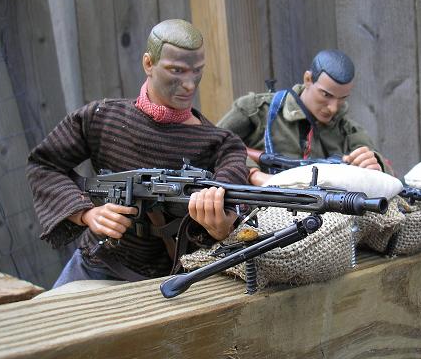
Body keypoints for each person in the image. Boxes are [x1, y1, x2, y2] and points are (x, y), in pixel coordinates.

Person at [27, 19, 248, 287]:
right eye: (176, 70)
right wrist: (86, 213)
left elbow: (234, 197)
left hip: (179, 278)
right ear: (148, 64)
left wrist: (222, 227)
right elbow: (44, 165)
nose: (190, 85)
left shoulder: (221, 144)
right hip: (98, 264)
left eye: (197, 71)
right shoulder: (102, 118)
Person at [217, 49, 391, 185]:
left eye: (342, 98)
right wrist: (254, 174)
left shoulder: (349, 131)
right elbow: (214, 144)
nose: (333, 107)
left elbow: (387, 176)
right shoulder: (257, 111)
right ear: (308, 79)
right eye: (326, 95)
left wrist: (374, 164)